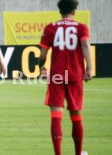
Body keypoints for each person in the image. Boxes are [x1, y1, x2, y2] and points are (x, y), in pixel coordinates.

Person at [38, 0, 92, 154]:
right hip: (75, 75)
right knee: (75, 115)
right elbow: (85, 45)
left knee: (56, 116)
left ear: (60, 11)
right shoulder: (81, 27)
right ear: (74, 11)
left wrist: (41, 66)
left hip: (57, 77)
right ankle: (78, 152)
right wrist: (89, 68)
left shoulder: (50, 28)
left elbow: (42, 54)